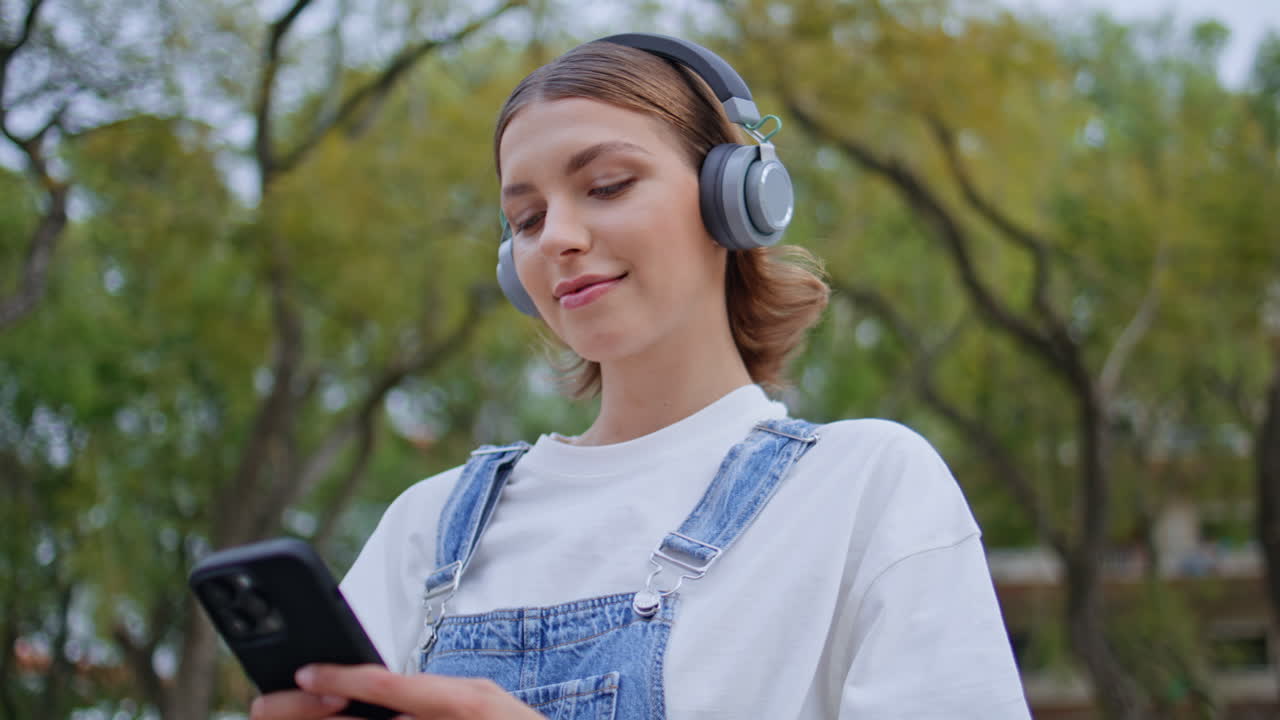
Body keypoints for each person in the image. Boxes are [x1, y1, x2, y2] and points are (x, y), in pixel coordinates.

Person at [250, 33, 1031, 720]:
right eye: (525, 219)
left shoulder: (864, 487)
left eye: (607, 185)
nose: (557, 236)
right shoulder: (425, 528)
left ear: (738, 198)